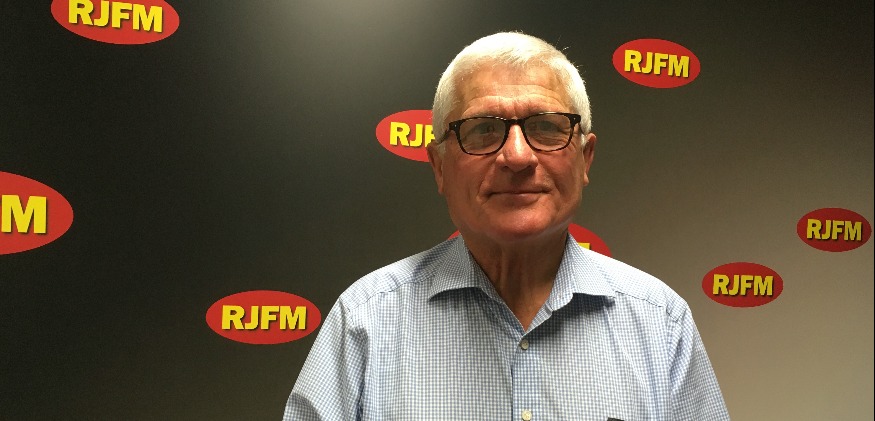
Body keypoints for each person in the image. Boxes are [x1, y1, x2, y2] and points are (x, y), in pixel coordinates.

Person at [284, 32, 729, 421]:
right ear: (439, 166)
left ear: (585, 159)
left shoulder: (660, 325)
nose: (517, 156)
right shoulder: (364, 323)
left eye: (547, 127)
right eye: (482, 131)